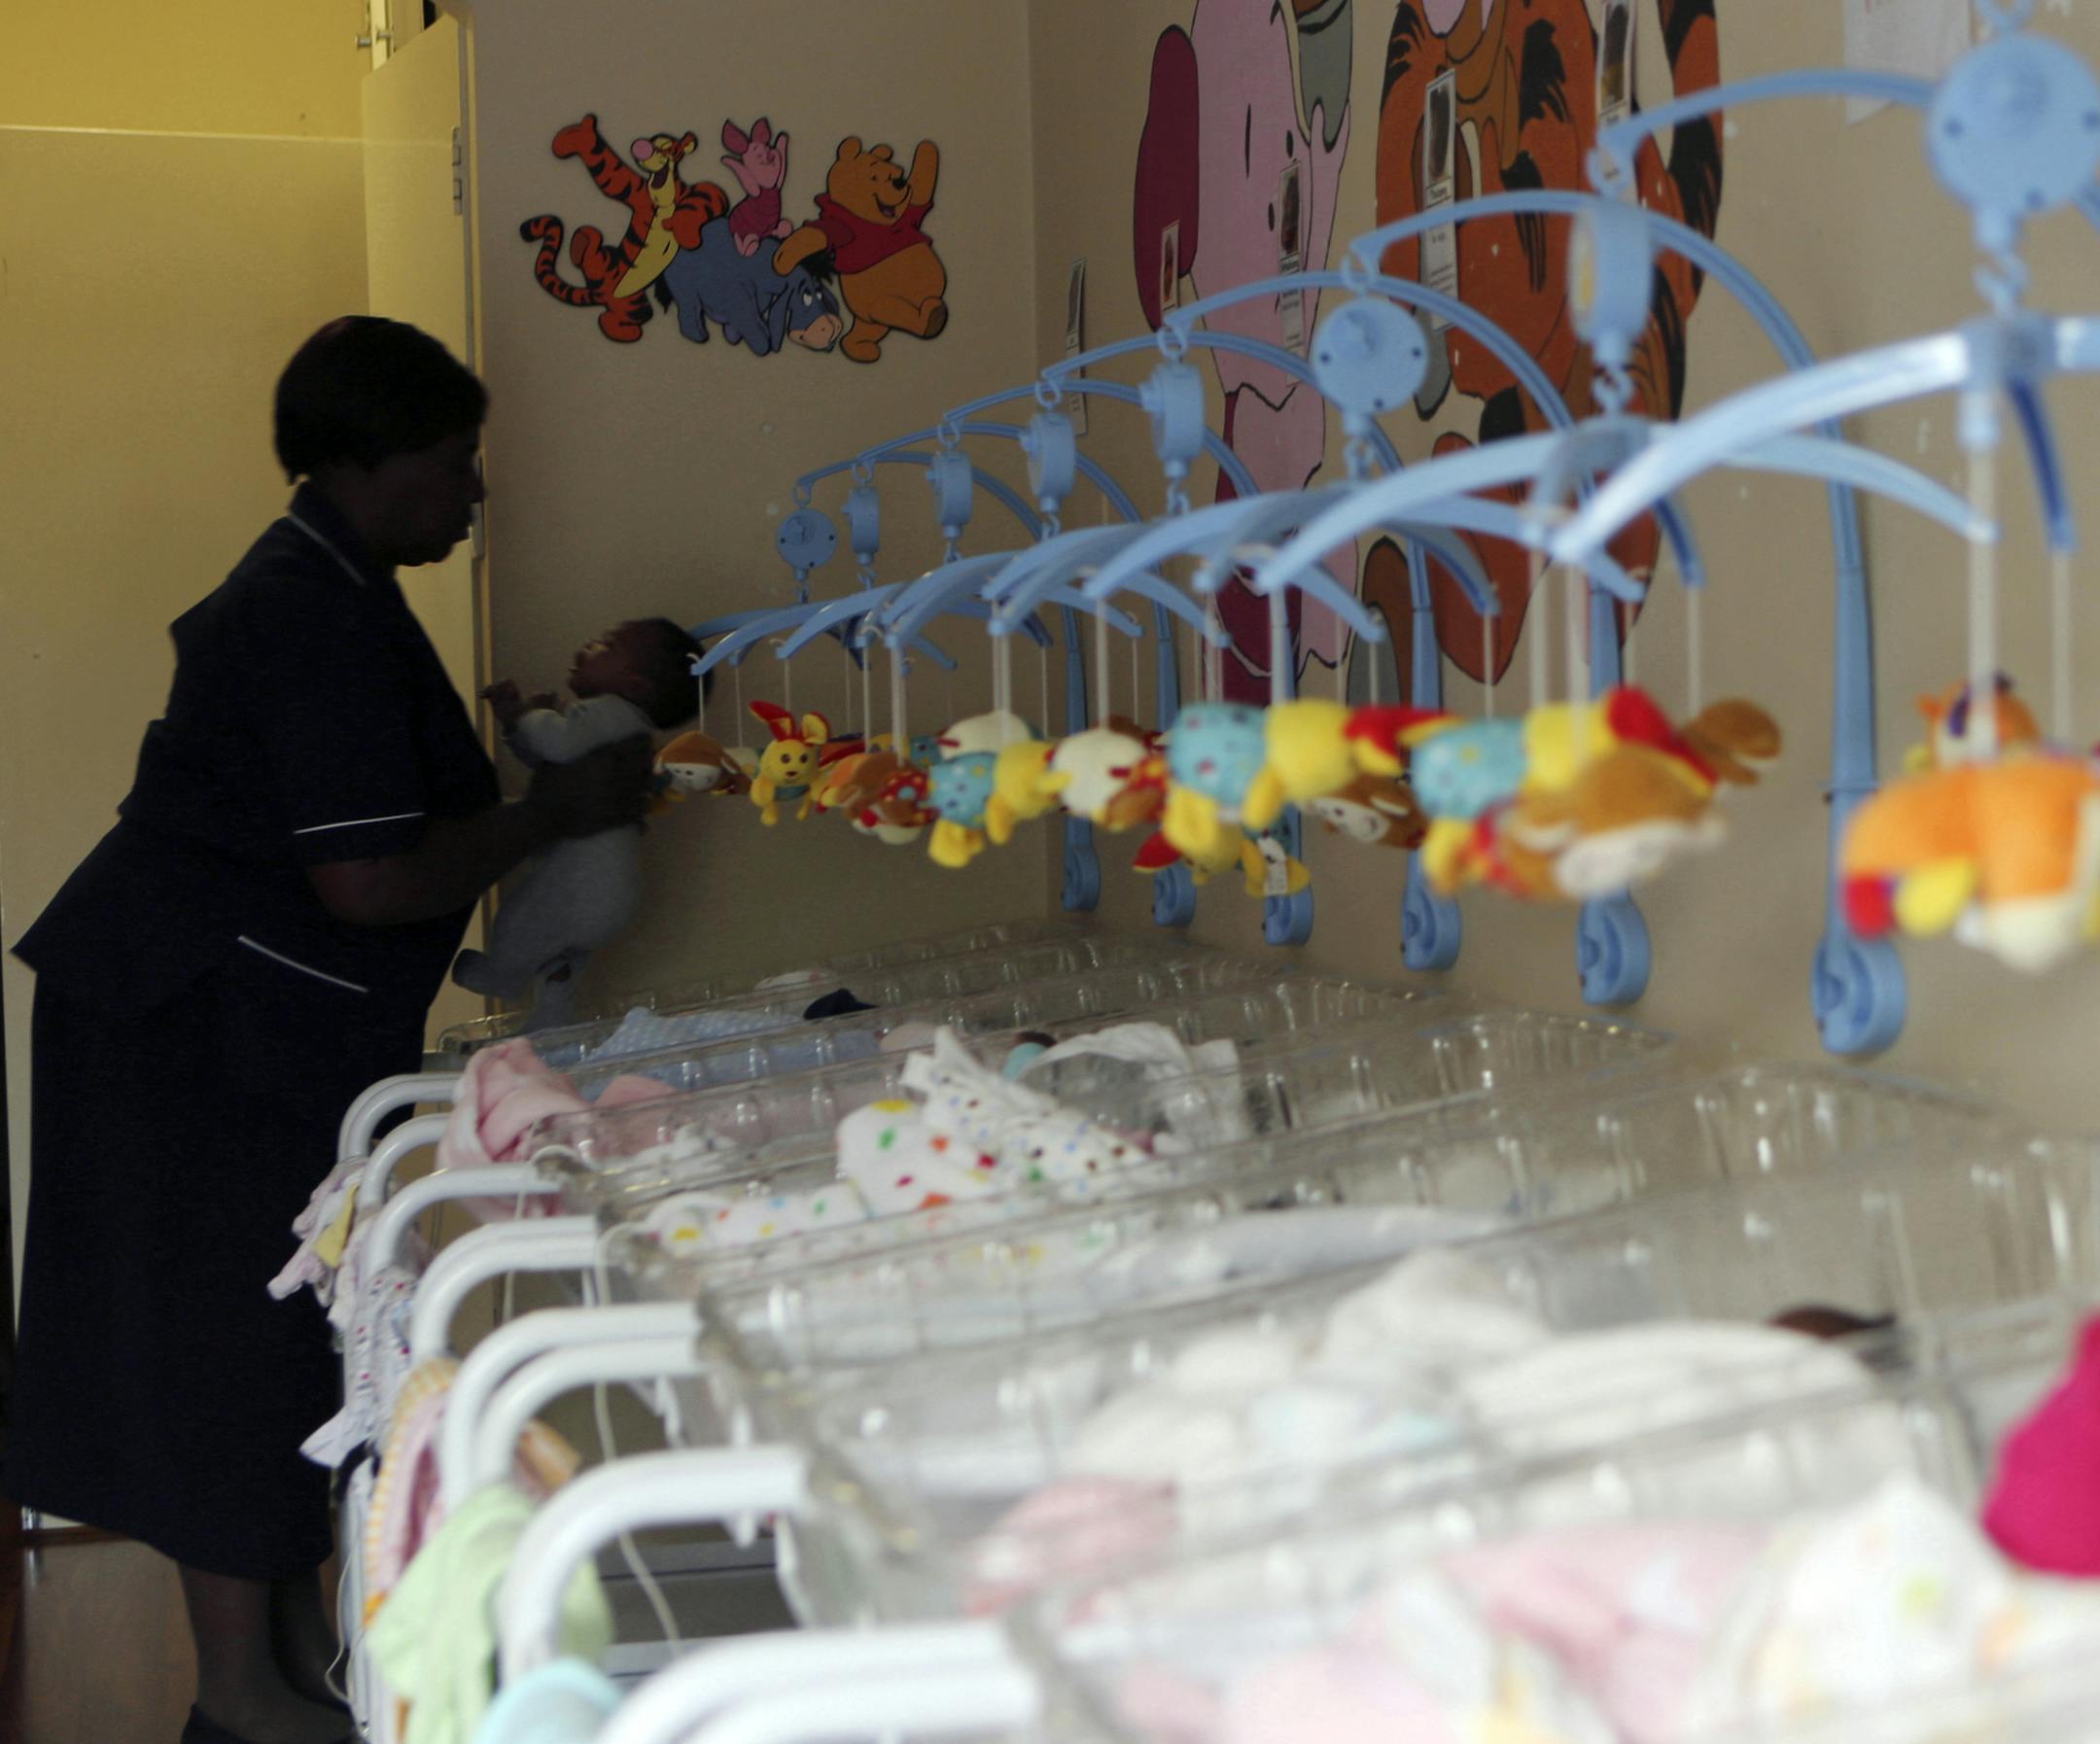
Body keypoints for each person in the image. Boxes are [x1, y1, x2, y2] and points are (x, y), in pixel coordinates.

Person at [6, 317, 654, 1744]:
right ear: (368, 461)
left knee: (273, 1326)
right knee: (226, 1335)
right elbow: (365, 879)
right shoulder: (306, 614)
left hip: (222, 1003)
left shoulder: (335, 583)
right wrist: (552, 813)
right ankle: (238, 1695)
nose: (474, 489)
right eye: (454, 459)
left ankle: (290, 1648)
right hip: (190, 1017)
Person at [453, 618, 704, 1026]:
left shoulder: (610, 711)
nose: (589, 644)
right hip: (607, 895)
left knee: (522, 918)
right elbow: (548, 763)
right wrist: (517, 723)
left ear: (635, 686)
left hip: (582, 885)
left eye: (606, 644)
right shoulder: (620, 732)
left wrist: (527, 715)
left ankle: (502, 974)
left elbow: (554, 742)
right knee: (563, 960)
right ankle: (551, 1023)